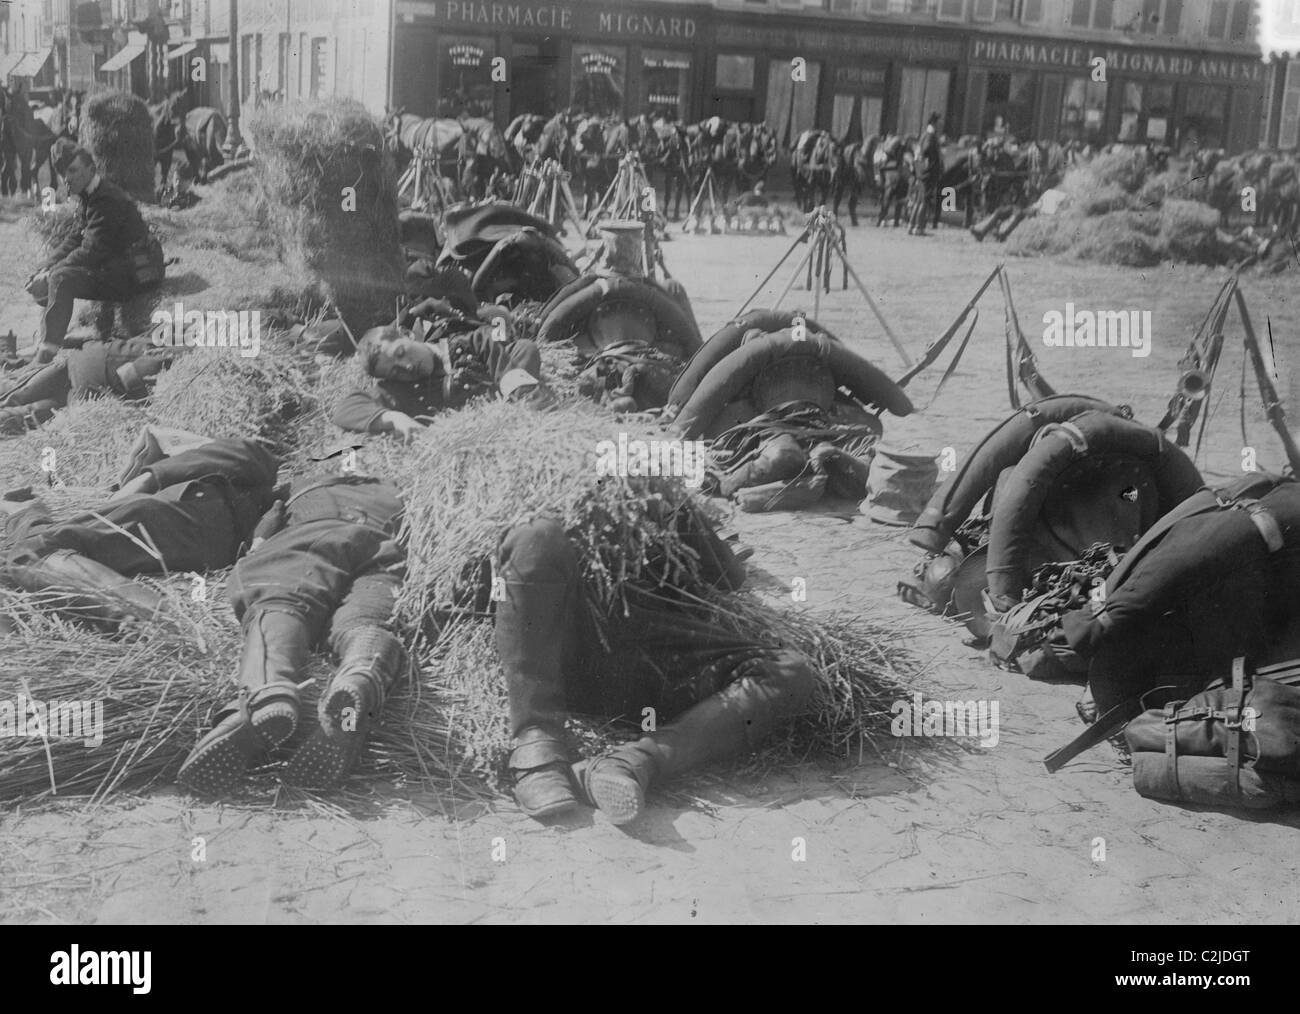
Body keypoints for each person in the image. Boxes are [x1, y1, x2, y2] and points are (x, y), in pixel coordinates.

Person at [498, 497, 816, 824]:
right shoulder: (537, 494)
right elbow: (491, 592)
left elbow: (725, 576)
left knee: (788, 672)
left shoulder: (656, 492)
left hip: (659, 656)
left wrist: (673, 502)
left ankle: (634, 761)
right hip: (570, 653)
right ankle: (538, 746)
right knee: (536, 532)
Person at [177, 467, 410, 795]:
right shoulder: (400, 485)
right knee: (364, 622)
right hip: (389, 544)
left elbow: (270, 520)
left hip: (323, 525)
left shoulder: (304, 481)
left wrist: (258, 545)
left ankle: (266, 692)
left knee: (276, 594)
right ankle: (361, 674)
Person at [0, 436, 278, 627]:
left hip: (192, 511)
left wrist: (144, 480)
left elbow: (253, 452)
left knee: (31, 554)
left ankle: (159, 620)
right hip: (196, 531)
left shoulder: (229, 457)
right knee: (29, 564)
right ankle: (23, 513)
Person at [332, 293, 545, 440]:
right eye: (395, 371)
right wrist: (393, 418)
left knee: (524, 349)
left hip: (507, 421)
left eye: (401, 352)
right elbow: (345, 408)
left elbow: (513, 360)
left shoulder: (473, 341)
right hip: (464, 440)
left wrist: (524, 412)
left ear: (407, 335)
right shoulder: (404, 390)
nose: (407, 366)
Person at [24, 141, 156, 365]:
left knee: (60, 278)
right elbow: (75, 238)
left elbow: (92, 249)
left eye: (73, 171)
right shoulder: (88, 196)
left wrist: (52, 272)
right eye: (64, 173)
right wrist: (44, 267)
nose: (67, 178)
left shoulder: (107, 199)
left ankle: (46, 354)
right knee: (51, 274)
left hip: (133, 274)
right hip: (114, 267)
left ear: (91, 170)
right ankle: (45, 341)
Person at [0, 335, 175, 436]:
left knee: (21, 399)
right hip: (89, 386)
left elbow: (134, 371)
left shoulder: (174, 348)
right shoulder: (176, 348)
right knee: (28, 407)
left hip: (88, 370)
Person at [908, 113, 943, 237]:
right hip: (928, 173)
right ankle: (919, 227)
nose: (941, 124)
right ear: (934, 122)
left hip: (921, 172)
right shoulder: (931, 136)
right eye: (939, 122)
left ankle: (911, 225)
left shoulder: (925, 135)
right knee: (924, 201)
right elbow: (927, 150)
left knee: (919, 200)